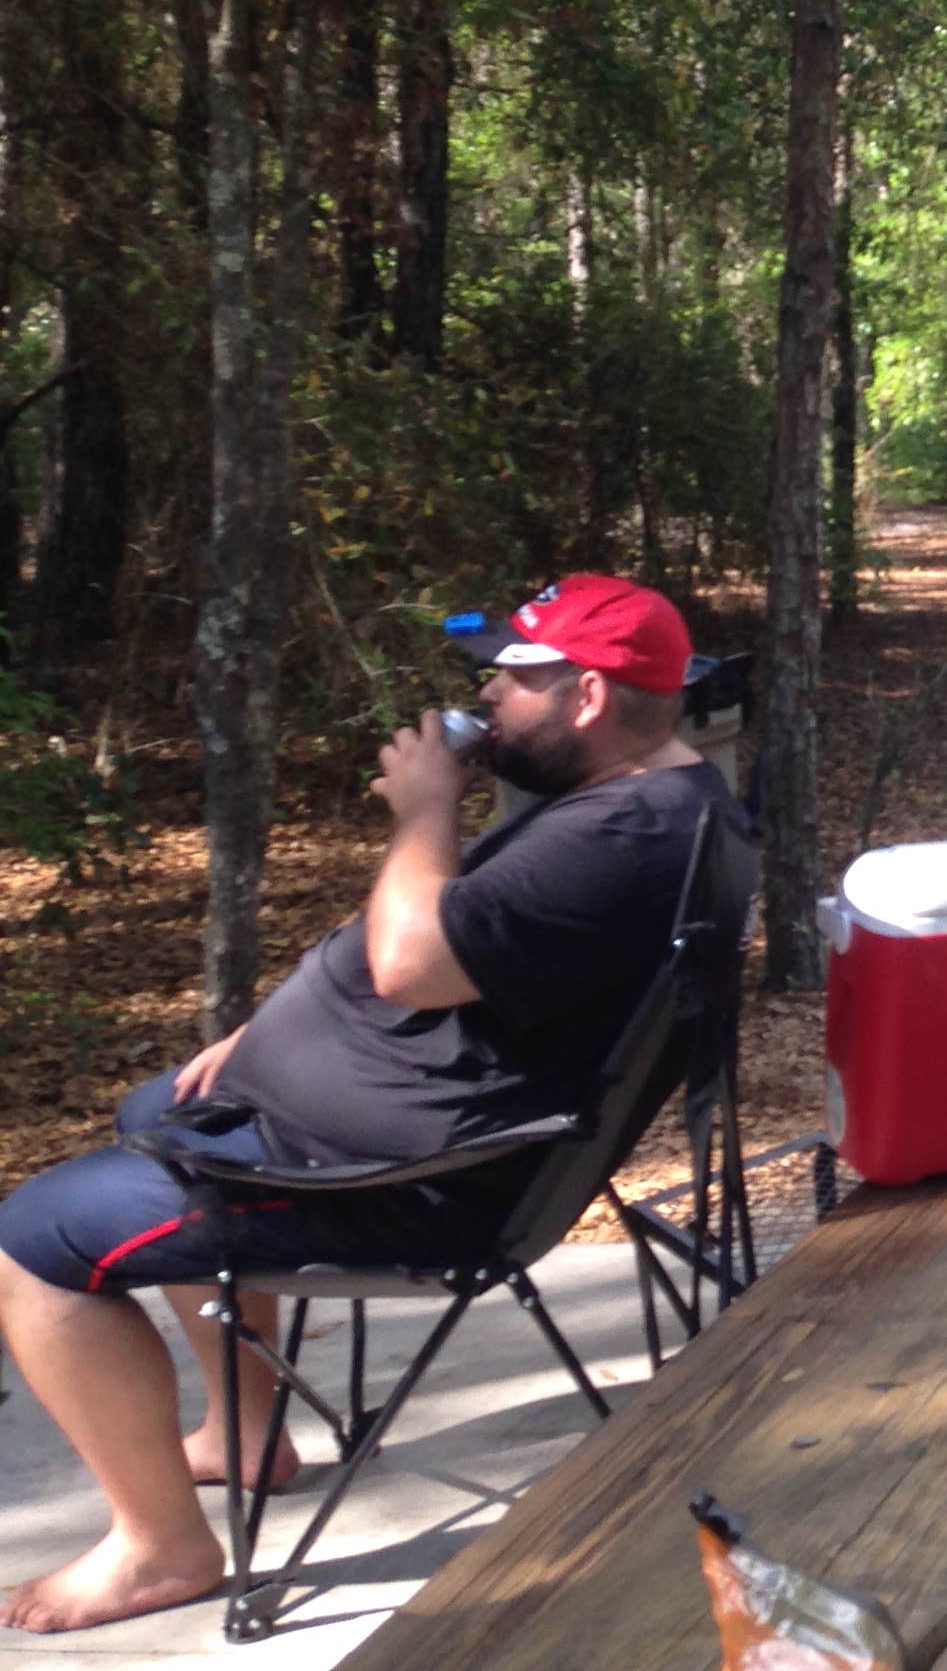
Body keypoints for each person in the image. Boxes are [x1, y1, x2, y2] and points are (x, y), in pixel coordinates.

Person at [0, 574, 752, 1632]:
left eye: (515, 679)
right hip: (394, 1127)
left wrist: (430, 807)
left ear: (587, 698)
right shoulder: (652, 806)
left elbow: (409, 963)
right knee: (153, 1108)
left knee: (33, 1239)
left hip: (411, 1185)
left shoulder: (621, 838)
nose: (486, 696)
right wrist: (272, 1040)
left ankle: (159, 1549)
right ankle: (244, 1429)